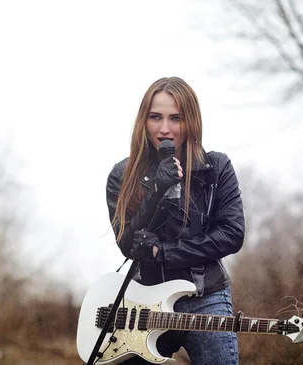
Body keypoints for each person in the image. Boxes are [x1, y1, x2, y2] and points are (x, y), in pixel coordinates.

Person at [105, 76, 245, 365]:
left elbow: (232, 233)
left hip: (206, 295)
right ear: (143, 121)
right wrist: (155, 190)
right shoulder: (122, 175)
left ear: (191, 121)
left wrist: (165, 253)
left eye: (175, 118)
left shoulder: (216, 168)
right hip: (143, 300)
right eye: (155, 117)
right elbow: (127, 245)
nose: (164, 129)